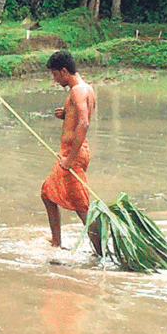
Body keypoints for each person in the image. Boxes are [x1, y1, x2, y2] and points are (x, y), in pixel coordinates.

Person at [40, 51, 101, 255]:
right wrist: (66, 115)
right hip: (72, 151)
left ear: (64, 71)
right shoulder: (86, 89)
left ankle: (101, 253)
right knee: (47, 193)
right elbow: (78, 118)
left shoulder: (77, 91)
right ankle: (56, 242)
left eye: (55, 75)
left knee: (81, 207)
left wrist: (69, 159)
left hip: (73, 154)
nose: (55, 79)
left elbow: (84, 122)